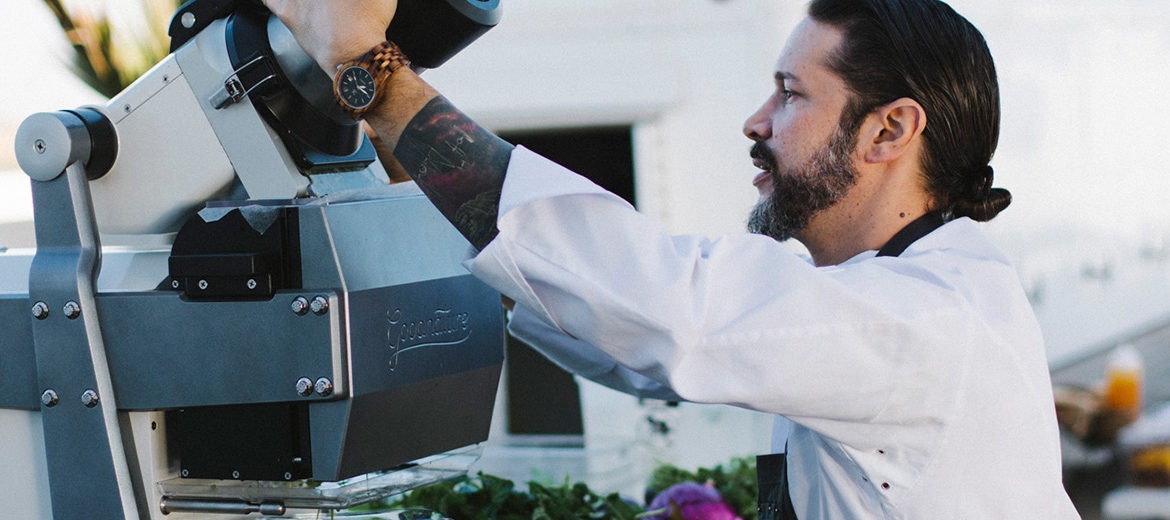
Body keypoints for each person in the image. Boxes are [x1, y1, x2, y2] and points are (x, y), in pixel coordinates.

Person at [262, 0, 1080, 517]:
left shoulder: (923, 318)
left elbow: (671, 309)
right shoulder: (903, 293)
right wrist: (420, 169)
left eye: (792, 94)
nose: (757, 120)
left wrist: (371, 71)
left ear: (891, 131)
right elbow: (642, 350)